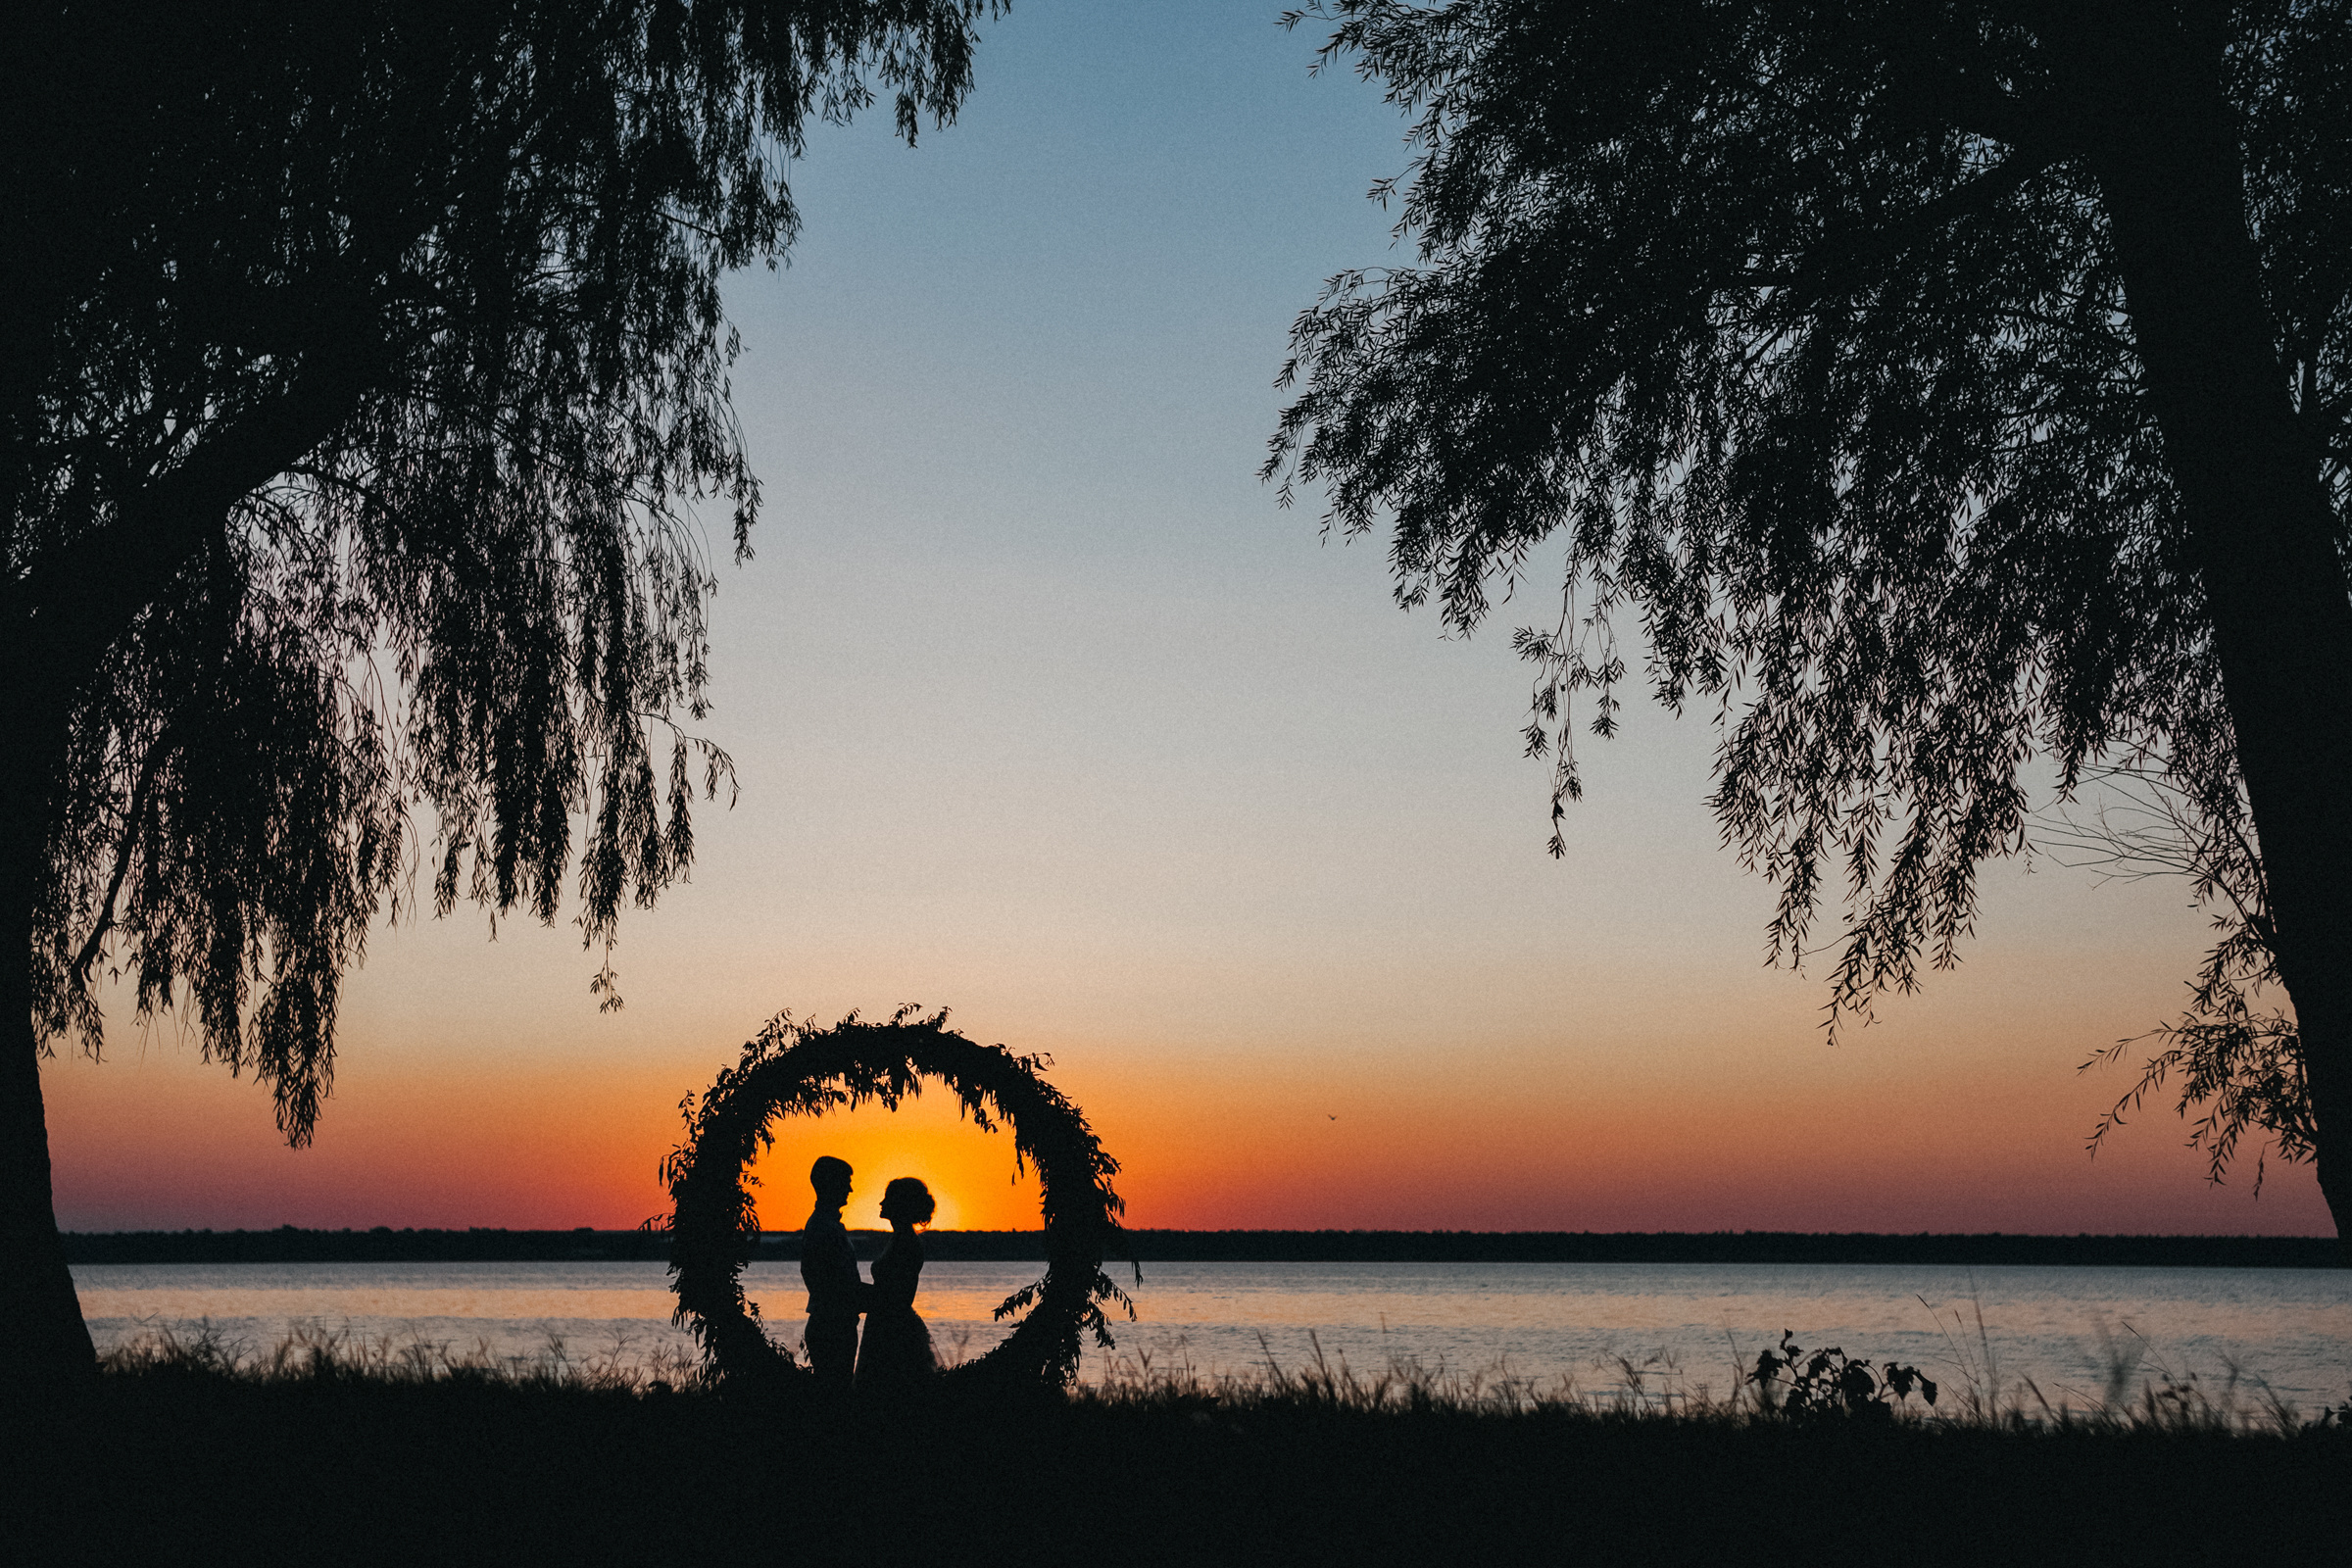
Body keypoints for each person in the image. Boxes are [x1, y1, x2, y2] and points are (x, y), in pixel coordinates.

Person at [855, 1176, 939, 1396]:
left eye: (887, 1199)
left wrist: (853, 1292)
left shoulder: (907, 1242)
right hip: (884, 1322)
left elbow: (897, 1297)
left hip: (892, 1329)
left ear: (900, 1204)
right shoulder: (899, 1239)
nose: (881, 1203)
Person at [800, 1155, 871, 1396]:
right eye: (846, 1182)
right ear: (831, 1183)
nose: (850, 1188)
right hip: (832, 1327)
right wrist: (880, 1297)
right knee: (835, 1395)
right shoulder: (824, 1227)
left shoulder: (825, 1224)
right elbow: (835, 1282)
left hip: (834, 1323)